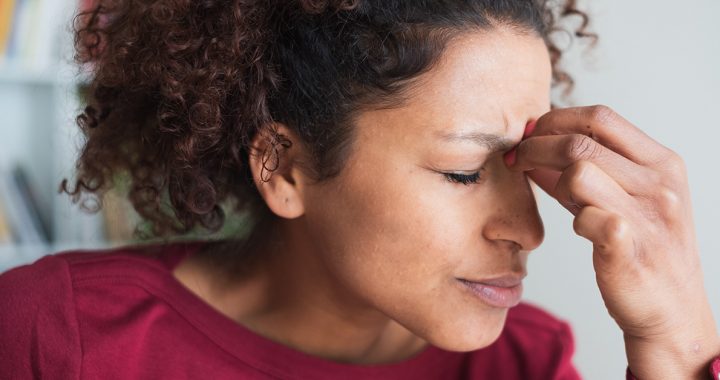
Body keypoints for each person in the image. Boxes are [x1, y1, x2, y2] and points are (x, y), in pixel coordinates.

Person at [1, 0, 718, 379]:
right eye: (464, 172)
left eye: (521, 170)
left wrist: (677, 342)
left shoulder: (522, 363)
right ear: (283, 167)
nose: (529, 231)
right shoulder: (58, 336)